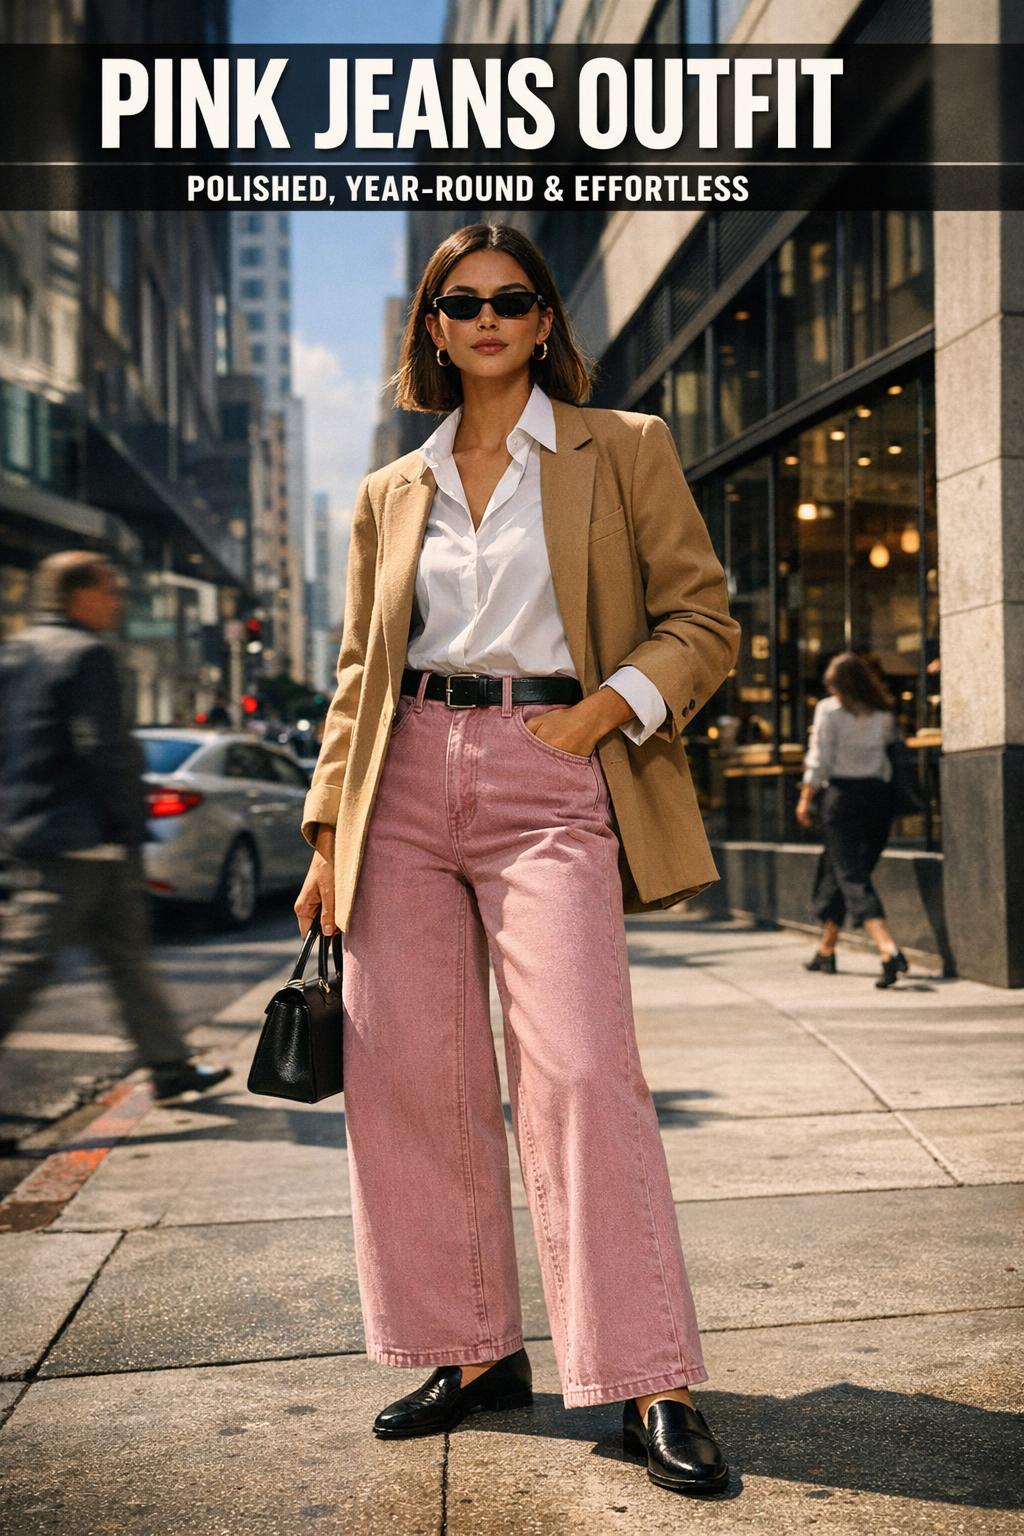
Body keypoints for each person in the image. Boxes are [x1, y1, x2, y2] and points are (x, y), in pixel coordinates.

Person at [293, 223, 741, 1496]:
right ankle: (470, 1349)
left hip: (552, 767)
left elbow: (702, 621)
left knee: (585, 1068)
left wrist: (600, 714)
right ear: (430, 328)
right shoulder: (393, 491)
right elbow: (355, 677)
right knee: (411, 1090)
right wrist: (329, 833)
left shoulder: (625, 447)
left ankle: (651, 1374)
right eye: (459, 300)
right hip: (402, 786)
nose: (486, 317)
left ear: (545, 320)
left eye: (511, 298)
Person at [0, 552, 230, 1133]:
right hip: (84, 841)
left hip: (42, 830)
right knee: (24, 966)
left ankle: (171, 1066)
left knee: (128, 960)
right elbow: (103, 748)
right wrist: (127, 825)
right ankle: (171, 1065)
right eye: (109, 591)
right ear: (78, 596)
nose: (118, 602)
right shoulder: (86, 654)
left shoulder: (18, 651)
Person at [795, 650, 909, 988]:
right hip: (878, 800)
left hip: (842, 800)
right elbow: (893, 755)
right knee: (842, 873)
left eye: (833, 686)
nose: (831, 693)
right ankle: (826, 950)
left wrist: (805, 799)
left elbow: (819, 759)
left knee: (852, 877)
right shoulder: (884, 714)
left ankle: (888, 950)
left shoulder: (829, 711)